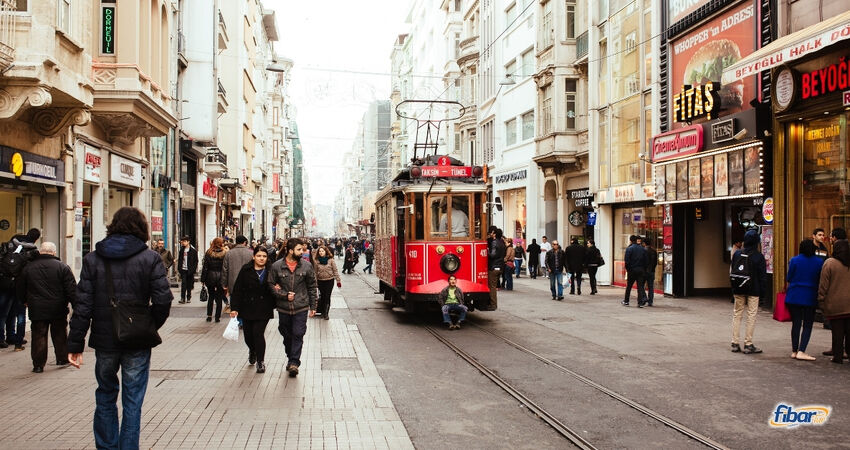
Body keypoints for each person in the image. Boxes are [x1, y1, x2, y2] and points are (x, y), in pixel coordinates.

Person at [67, 207, 172, 449]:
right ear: (141, 228)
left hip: (105, 341)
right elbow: (163, 300)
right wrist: (148, 325)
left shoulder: (93, 259)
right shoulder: (150, 259)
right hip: (137, 340)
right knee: (133, 400)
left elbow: (82, 304)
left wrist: (75, 343)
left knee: (105, 393)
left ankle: (106, 446)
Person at [16, 242, 76, 373]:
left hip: (37, 307)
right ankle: (62, 358)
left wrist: (24, 301)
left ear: (40, 252)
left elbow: (20, 287)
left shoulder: (28, 267)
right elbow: (71, 290)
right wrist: (76, 306)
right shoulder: (62, 267)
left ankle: (38, 365)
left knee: (38, 335)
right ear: (53, 252)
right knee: (59, 333)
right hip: (58, 307)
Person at [268, 238, 318, 377]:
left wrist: (313, 305)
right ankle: (291, 356)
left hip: (301, 306)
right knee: (286, 333)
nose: (302, 252)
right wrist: (283, 295)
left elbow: (312, 287)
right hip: (283, 307)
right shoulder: (277, 266)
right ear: (290, 251)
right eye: (299, 249)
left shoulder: (306, 266)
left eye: (302, 249)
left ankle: (294, 362)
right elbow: (271, 284)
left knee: (298, 333)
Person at [229, 246, 275, 373]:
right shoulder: (246, 270)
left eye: (264, 256)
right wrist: (234, 308)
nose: (261, 258)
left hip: (264, 307)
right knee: (248, 336)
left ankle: (260, 361)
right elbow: (237, 290)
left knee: (258, 334)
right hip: (247, 307)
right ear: (253, 256)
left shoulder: (271, 270)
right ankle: (253, 350)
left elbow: (277, 288)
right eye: (259, 256)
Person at [0, 227, 40, 350]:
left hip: (5, 282)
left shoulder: (11, 243)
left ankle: (1, 338)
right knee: (19, 313)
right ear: (36, 239)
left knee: (3, 312)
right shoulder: (32, 251)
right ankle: (15, 338)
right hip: (20, 284)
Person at [786, 239, 824, 361]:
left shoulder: (794, 260)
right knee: (807, 324)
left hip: (794, 295)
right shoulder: (819, 262)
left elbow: (789, 277)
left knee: (796, 323)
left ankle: (794, 350)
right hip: (810, 295)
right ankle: (802, 350)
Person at [730, 229, 767, 354]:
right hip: (753, 288)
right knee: (751, 315)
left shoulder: (737, 254)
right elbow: (762, 277)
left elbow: (733, 269)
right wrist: (763, 292)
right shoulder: (759, 257)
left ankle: (735, 342)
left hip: (738, 287)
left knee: (737, 313)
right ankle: (748, 343)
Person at [818, 238, 850, 364]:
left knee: (837, 332)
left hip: (834, 304)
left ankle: (838, 356)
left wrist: (821, 299)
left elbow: (823, 284)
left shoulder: (830, 263)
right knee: (849, 331)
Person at [201, 238, 227, 323]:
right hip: (220, 277)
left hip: (210, 276)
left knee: (211, 297)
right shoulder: (225, 253)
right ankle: (217, 317)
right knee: (219, 298)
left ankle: (209, 316)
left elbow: (205, 267)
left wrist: (203, 279)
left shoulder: (208, 253)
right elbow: (225, 268)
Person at [222, 235, 254, 305]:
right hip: (248, 283)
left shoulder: (229, 253)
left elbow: (225, 270)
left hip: (233, 283)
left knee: (234, 305)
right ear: (245, 242)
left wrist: (224, 284)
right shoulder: (251, 253)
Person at [314, 245, 341, 320]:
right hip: (320, 280)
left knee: (327, 296)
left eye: (322, 251)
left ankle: (326, 313)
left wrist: (338, 280)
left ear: (326, 252)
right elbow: (315, 272)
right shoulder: (316, 261)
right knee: (322, 296)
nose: (321, 252)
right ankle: (322, 311)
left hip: (329, 280)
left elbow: (335, 270)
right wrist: (315, 282)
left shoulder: (331, 260)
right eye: (320, 251)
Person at [487, 227, 506, 308]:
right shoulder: (502, 243)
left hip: (494, 267)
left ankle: (493, 304)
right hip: (500, 267)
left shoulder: (494, 242)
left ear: (494, 234)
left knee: (492, 287)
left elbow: (493, 255)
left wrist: (487, 251)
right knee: (494, 286)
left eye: (492, 233)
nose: (491, 234)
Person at [177, 236, 198, 304]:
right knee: (183, 284)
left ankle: (188, 297)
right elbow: (180, 260)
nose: (183, 243)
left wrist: (193, 270)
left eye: (184, 241)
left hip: (190, 270)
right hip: (183, 270)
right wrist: (179, 269)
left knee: (189, 284)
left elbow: (196, 261)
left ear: (188, 242)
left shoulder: (193, 251)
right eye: (182, 241)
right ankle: (182, 298)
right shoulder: (181, 250)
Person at [643, 239, 658, 306]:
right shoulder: (654, 251)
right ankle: (650, 301)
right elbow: (655, 262)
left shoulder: (643, 250)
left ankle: (645, 297)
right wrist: (652, 269)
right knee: (651, 287)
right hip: (652, 271)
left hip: (644, 271)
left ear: (644, 243)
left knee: (641, 286)